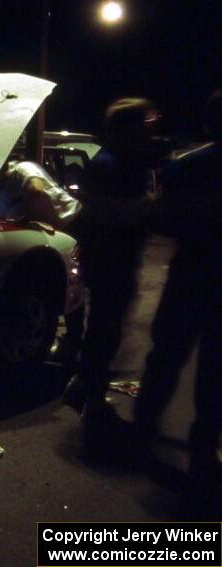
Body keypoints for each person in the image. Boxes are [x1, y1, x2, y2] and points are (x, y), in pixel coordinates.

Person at [132, 90, 222, 507]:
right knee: (214, 376)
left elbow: (163, 221)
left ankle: (142, 434)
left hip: (190, 276)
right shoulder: (189, 167)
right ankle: (203, 455)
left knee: (165, 359)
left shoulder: (187, 168)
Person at [69, 98, 163, 454]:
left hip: (115, 257)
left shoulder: (122, 161)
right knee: (105, 329)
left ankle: (84, 388)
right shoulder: (110, 165)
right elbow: (105, 212)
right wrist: (150, 208)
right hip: (110, 259)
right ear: (125, 128)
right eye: (143, 123)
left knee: (104, 327)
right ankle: (92, 400)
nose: (148, 130)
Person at [0, 160, 85, 362]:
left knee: (72, 281)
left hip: (70, 220)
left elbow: (36, 188)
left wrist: (23, 218)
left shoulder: (22, 169)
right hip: (51, 231)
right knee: (62, 282)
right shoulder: (2, 194)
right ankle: (72, 339)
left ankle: (74, 341)